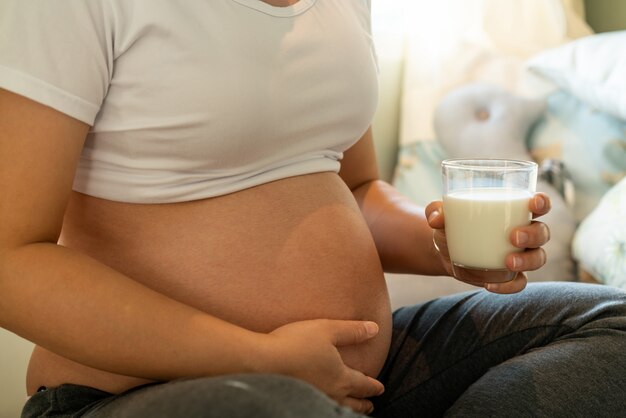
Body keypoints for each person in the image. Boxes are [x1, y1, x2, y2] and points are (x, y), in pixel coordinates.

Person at [0, 1, 624, 417]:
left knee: (609, 323)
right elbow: (10, 260)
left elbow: (355, 190)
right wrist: (257, 357)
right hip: (144, 392)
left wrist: (446, 243)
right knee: (280, 408)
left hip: (361, 379)